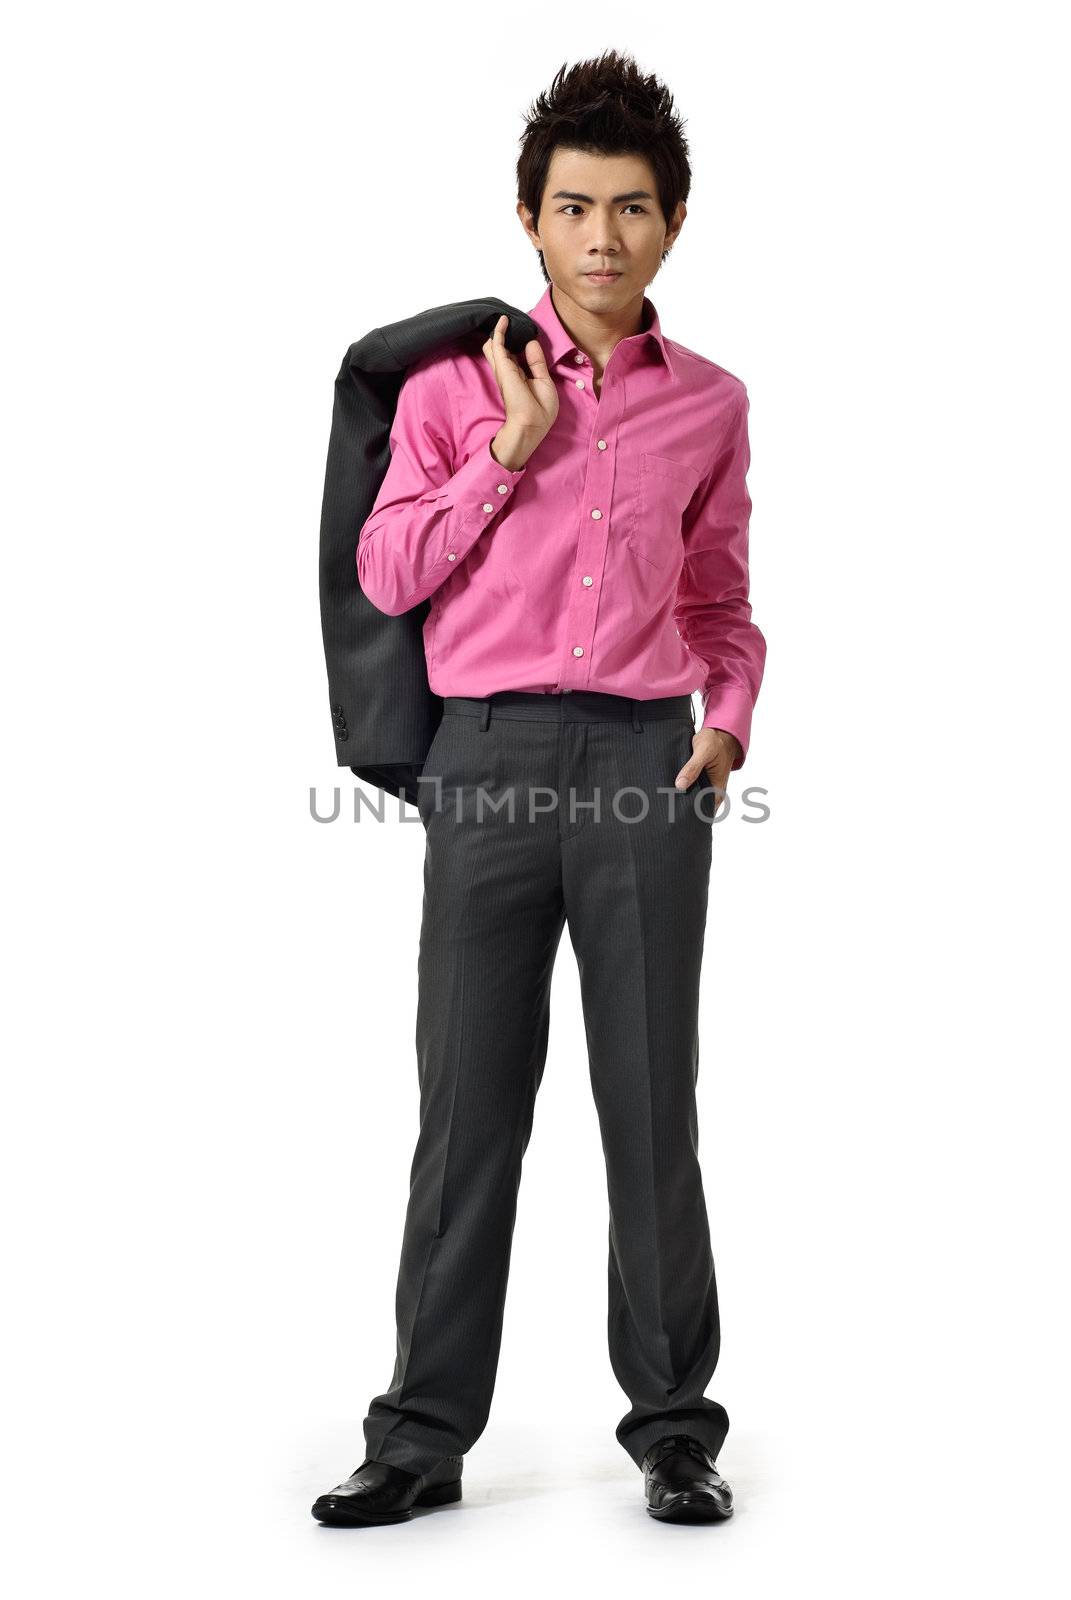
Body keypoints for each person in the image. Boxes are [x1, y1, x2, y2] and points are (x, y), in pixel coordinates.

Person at [312, 47, 766, 1529]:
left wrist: (730, 717)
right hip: (487, 761)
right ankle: (422, 1433)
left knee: (652, 1110)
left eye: (632, 209)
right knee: (468, 1114)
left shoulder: (708, 404)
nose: (602, 238)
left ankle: (676, 1429)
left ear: (672, 224)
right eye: (574, 207)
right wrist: (504, 457)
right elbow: (388, 571)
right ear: (530, 218)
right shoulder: (455, 384)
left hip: (645, 765)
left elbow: (718, 597)